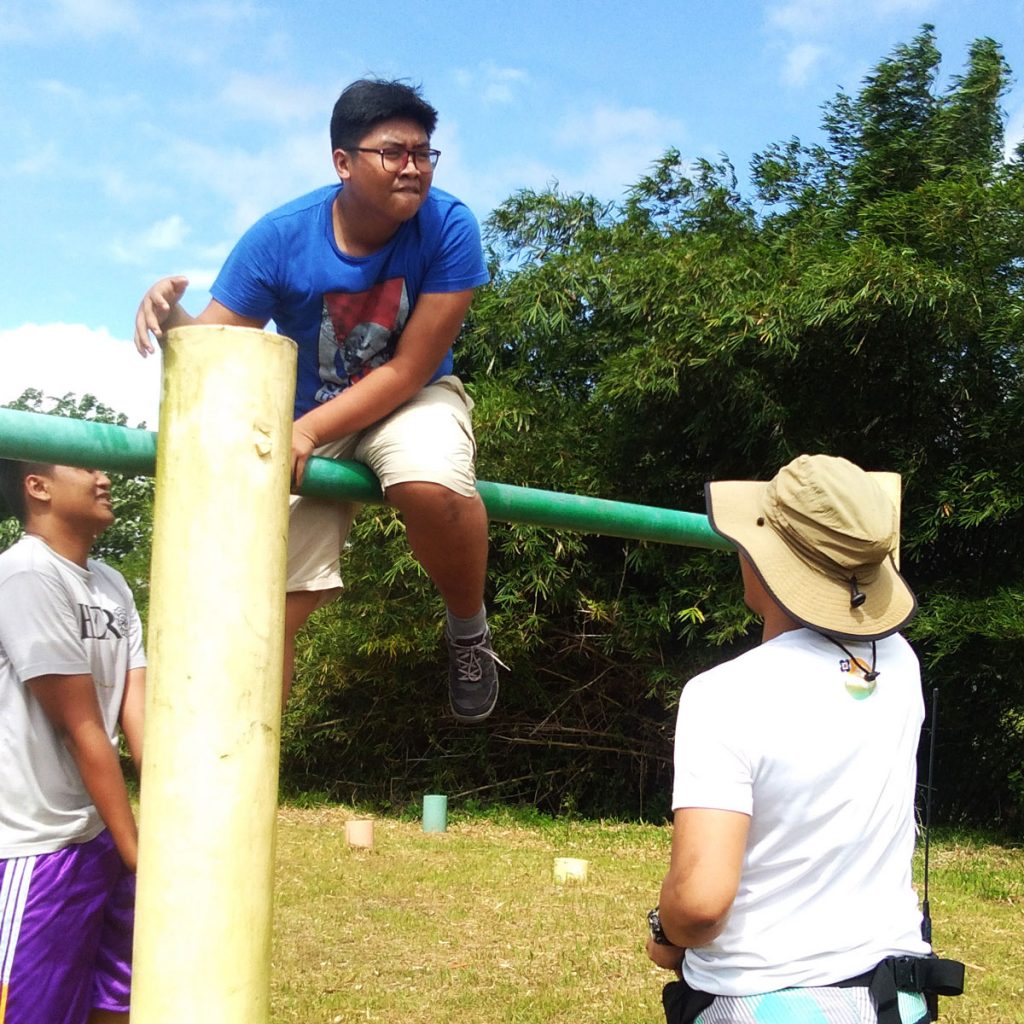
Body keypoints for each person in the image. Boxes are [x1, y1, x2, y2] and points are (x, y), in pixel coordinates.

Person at [133, 78, 501, 722]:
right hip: (308, 414)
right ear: (343, 162)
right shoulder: (281, 237)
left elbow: (411, 368)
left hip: (410, 400)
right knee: (265, 608)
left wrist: (305, 432)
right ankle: (237, 777)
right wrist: (173, 321)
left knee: (432, 482)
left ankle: (467, 629)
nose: (413, 168)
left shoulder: (448, 226)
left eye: (424, 153)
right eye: (394, 152)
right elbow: (220, 347)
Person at [646, 454, 963, 1024]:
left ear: (767, 560)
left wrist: (662, 932)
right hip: (895, 1001)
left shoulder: (722, 695)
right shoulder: (900, 661)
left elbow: (698, 904)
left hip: (761, 1002)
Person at [0, 459, 146, 1024]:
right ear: (36, 487)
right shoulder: (26, 576)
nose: (104, 476)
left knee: (117, 999)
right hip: (34, 845)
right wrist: (140, 857)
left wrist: (159, 836)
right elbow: (83, 727)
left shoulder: (110, 583)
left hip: (97, 832)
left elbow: (138, 718)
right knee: (33, 1012)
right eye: (84, 466)